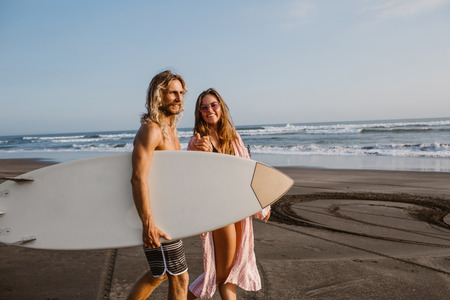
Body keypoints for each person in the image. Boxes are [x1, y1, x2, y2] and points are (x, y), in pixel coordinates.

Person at [187, 88, 270, 300]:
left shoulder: (232, 136)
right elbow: (193, 180)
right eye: (204, 107)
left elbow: (246, 172)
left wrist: (262, 204)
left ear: (221, 107)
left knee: (229, 271)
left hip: (237, 208)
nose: (209, 110)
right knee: (223, 273)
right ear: (199, 112)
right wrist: (201, 155)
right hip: (218, 210)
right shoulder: (197, 140)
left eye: (213, 105)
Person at [128, 70, 189, 300]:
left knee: (159, 274)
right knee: (179, 277)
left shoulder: (171, 131)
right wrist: (148, 223)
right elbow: (138, 177)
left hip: (168, 216)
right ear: (158, 94)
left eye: (181, 93)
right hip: (156, 219)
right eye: (173, 93)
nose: (179, 98)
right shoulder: (152, 130)